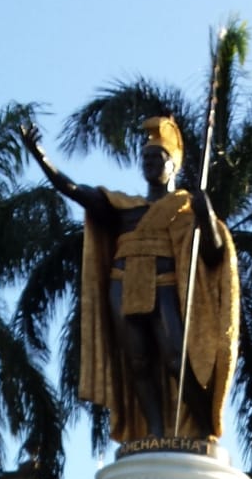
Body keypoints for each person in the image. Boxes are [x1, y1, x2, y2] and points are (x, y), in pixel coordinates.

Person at [20, 116, 239, 445]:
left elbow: (213, 253)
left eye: (158, 158)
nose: (150, 164)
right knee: (137, 360)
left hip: (164, 282)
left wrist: (205, 213)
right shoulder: (123, 206)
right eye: (146, 158)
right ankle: (155, 431)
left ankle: (202, 428)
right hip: (123, 283)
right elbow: (73, 190)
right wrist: (40, 156)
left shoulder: (183, 208)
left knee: (175, 356)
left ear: (173, 164)